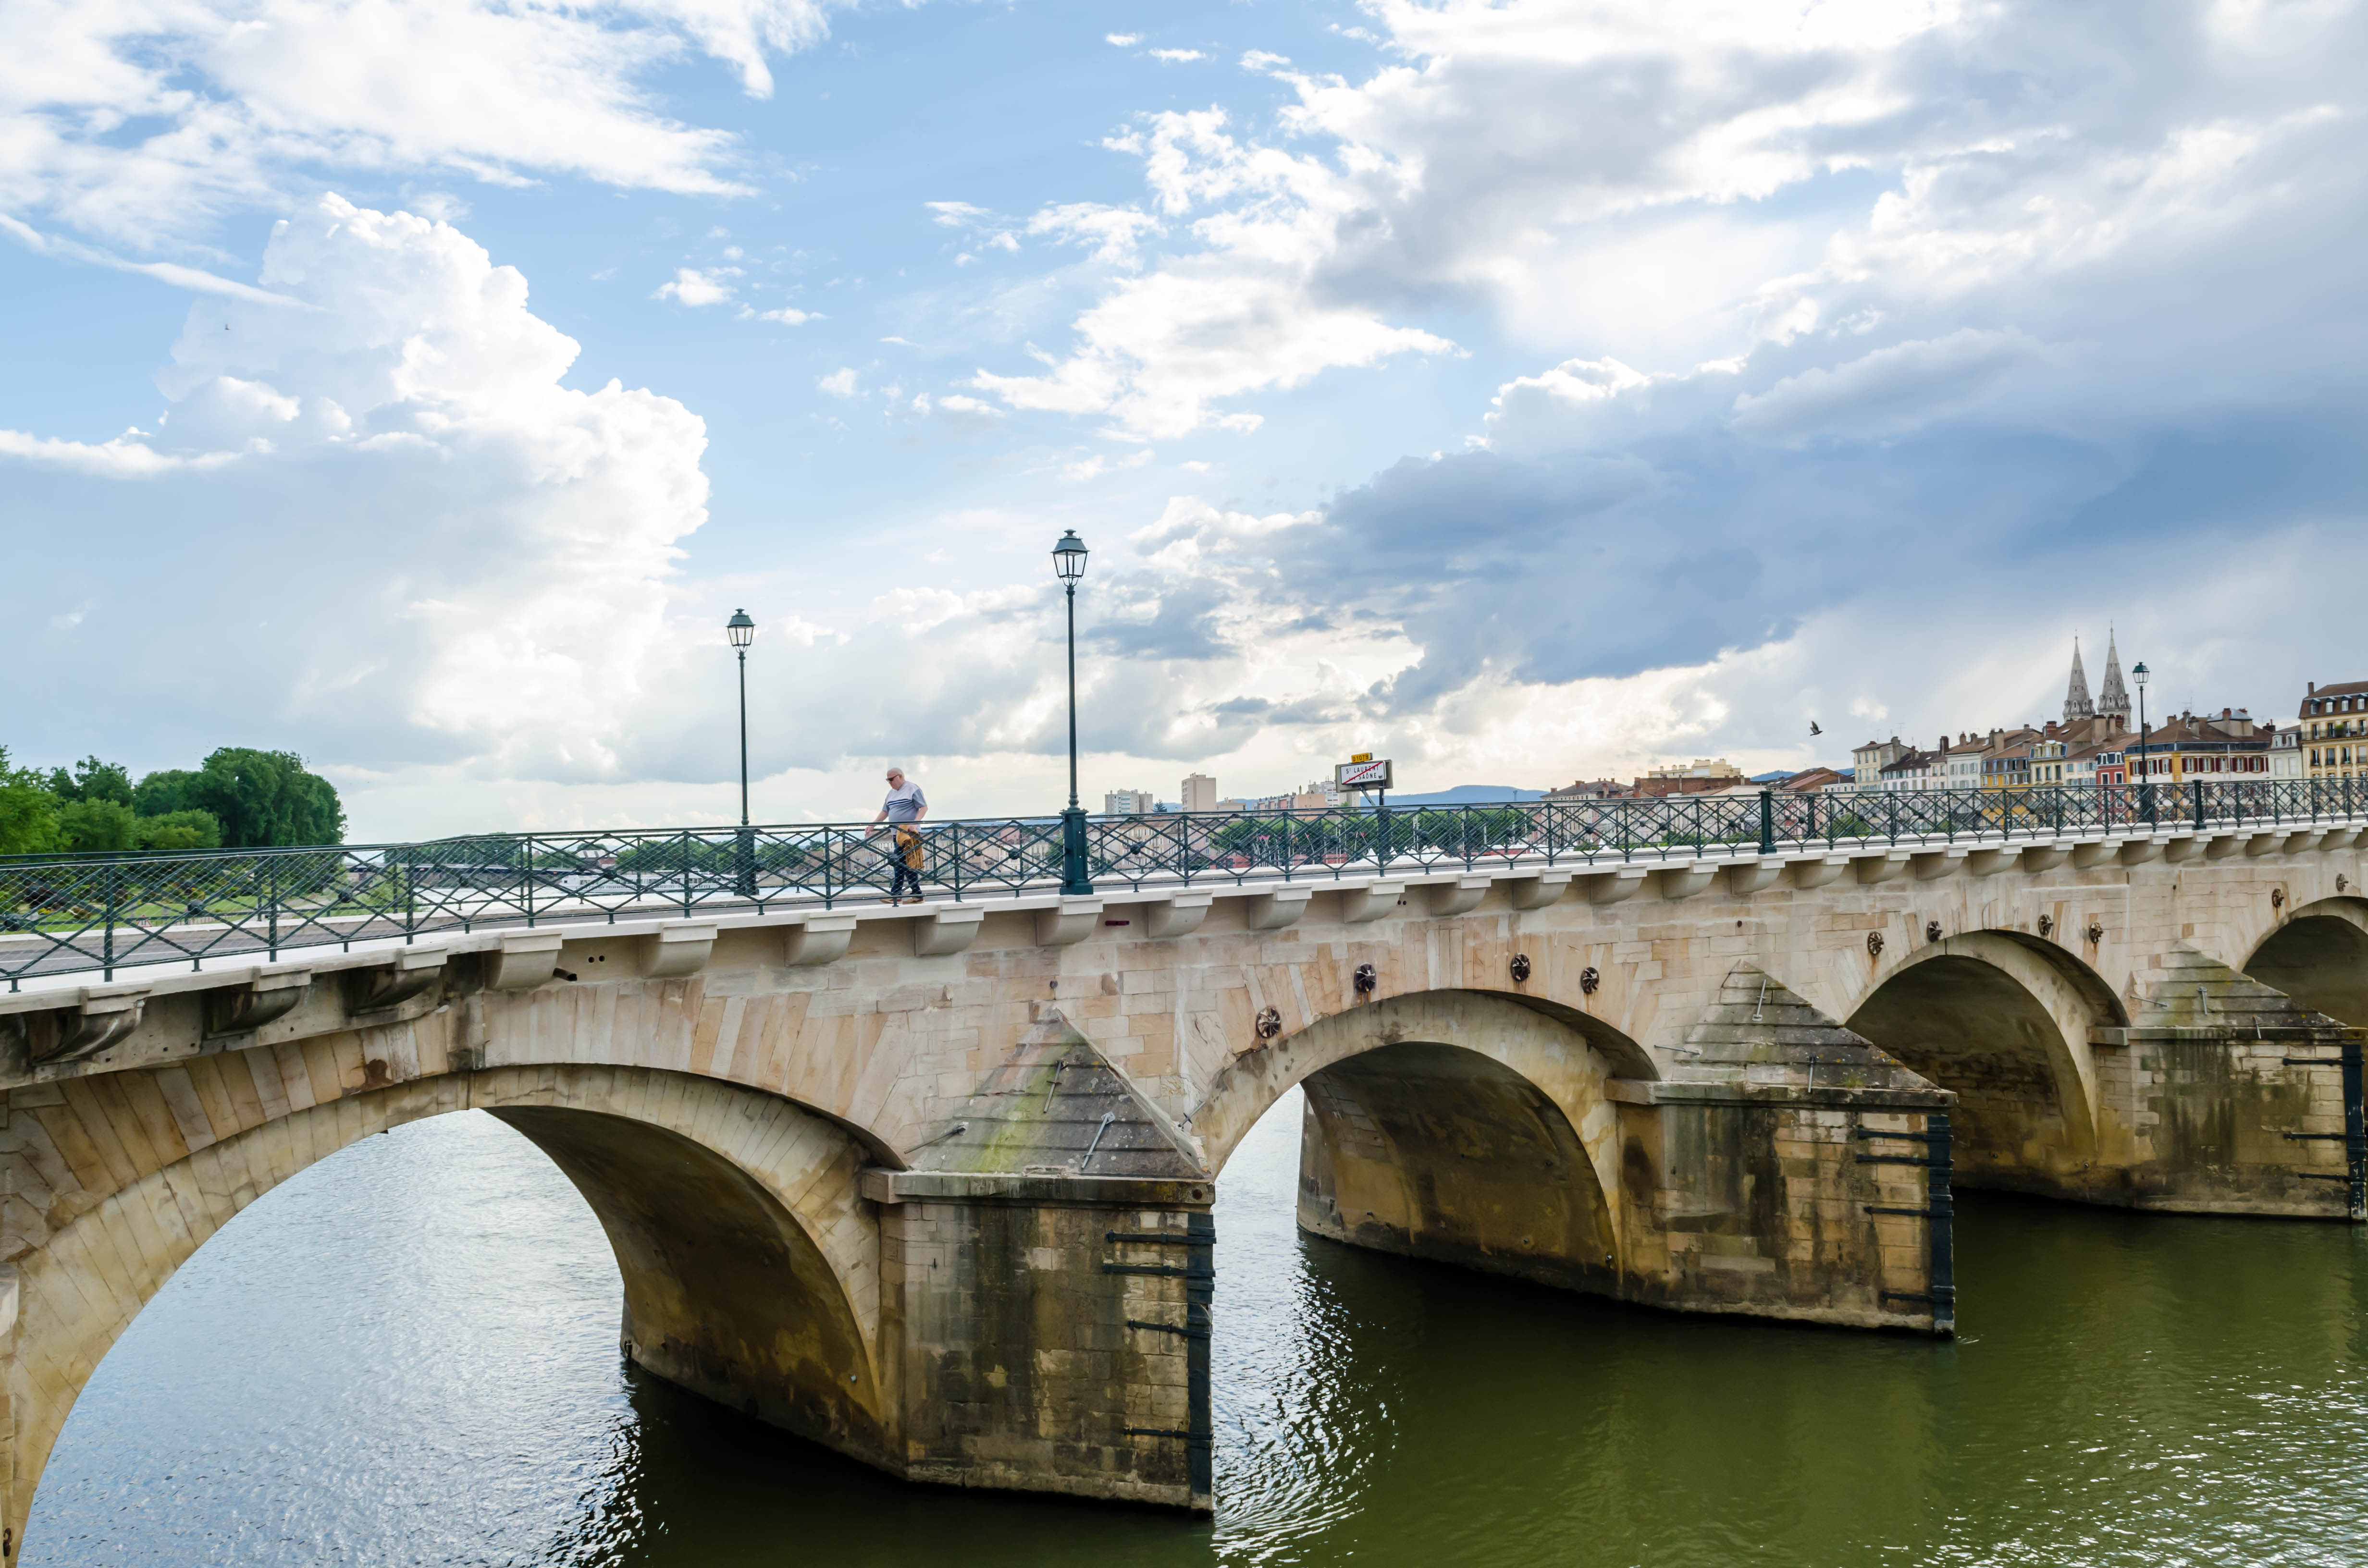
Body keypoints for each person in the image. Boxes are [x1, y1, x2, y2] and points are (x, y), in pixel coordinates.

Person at [873, 767, 929, 903]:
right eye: (888, 780)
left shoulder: (912, 789)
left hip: (908, 835)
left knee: (898, 862)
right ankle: (917, 895)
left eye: (891, 779)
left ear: (900, 777)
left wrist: (914, 824)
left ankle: (896, 895)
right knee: (907, 864)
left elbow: (924, 807)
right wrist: (872, 825)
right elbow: (885, 812)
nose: (889, 782)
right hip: (896, 834)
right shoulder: (891, 794)